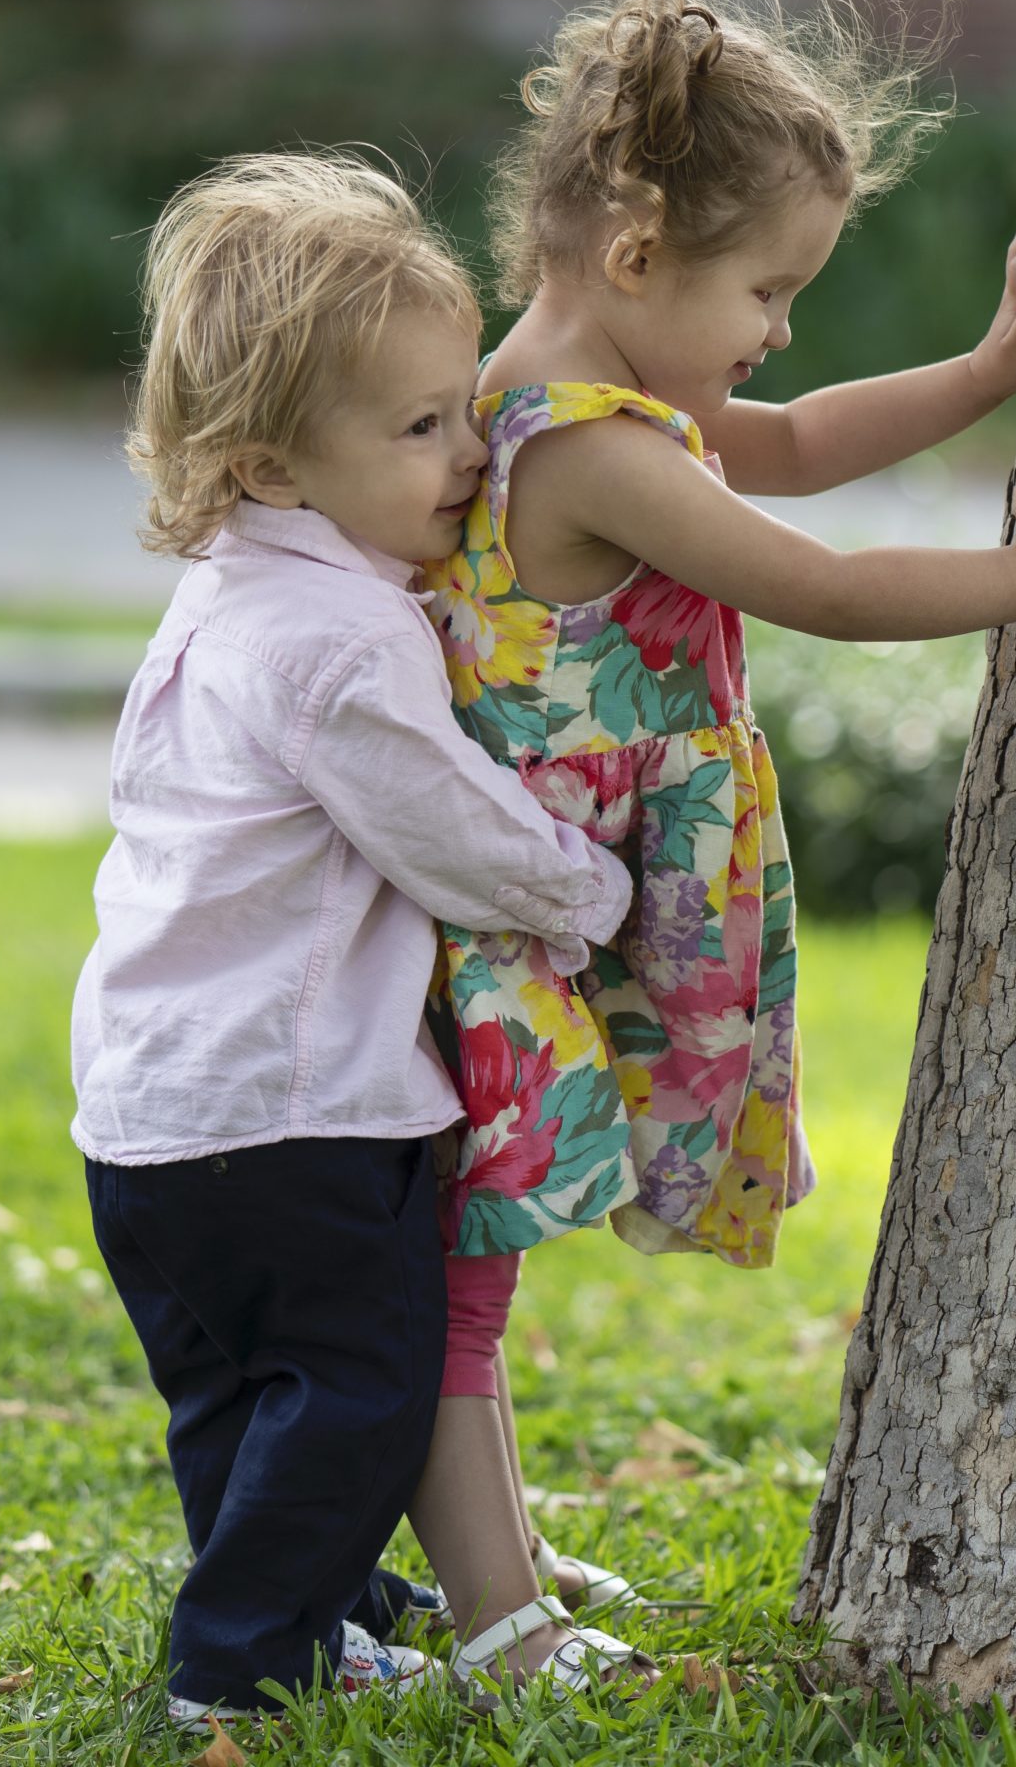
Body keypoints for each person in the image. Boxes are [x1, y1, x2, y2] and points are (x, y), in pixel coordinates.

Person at [411, 0, 1016, 1696]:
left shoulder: (581, 394)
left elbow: (805, 443)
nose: (778, 331)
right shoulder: (585, 449)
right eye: (765, 289)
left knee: (480, 1257)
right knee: (464, 1262)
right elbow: (822, 586)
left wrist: (995, 367)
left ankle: (504, 1551)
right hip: (514, 917)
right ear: (635, 261)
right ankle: (496, 1622)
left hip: (553, 892)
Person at [68, 152, 635, 1733]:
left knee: (243, 1399)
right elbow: (440, 822)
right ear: (268, 462)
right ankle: (237, 1667)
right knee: (366, 1387)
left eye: (467, 405)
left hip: (151, 1113)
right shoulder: (334, 644)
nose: (473, 450)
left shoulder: (229, 597)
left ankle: (312, 1616)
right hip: (292, 1107)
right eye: (421, 427)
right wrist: (589, 891)